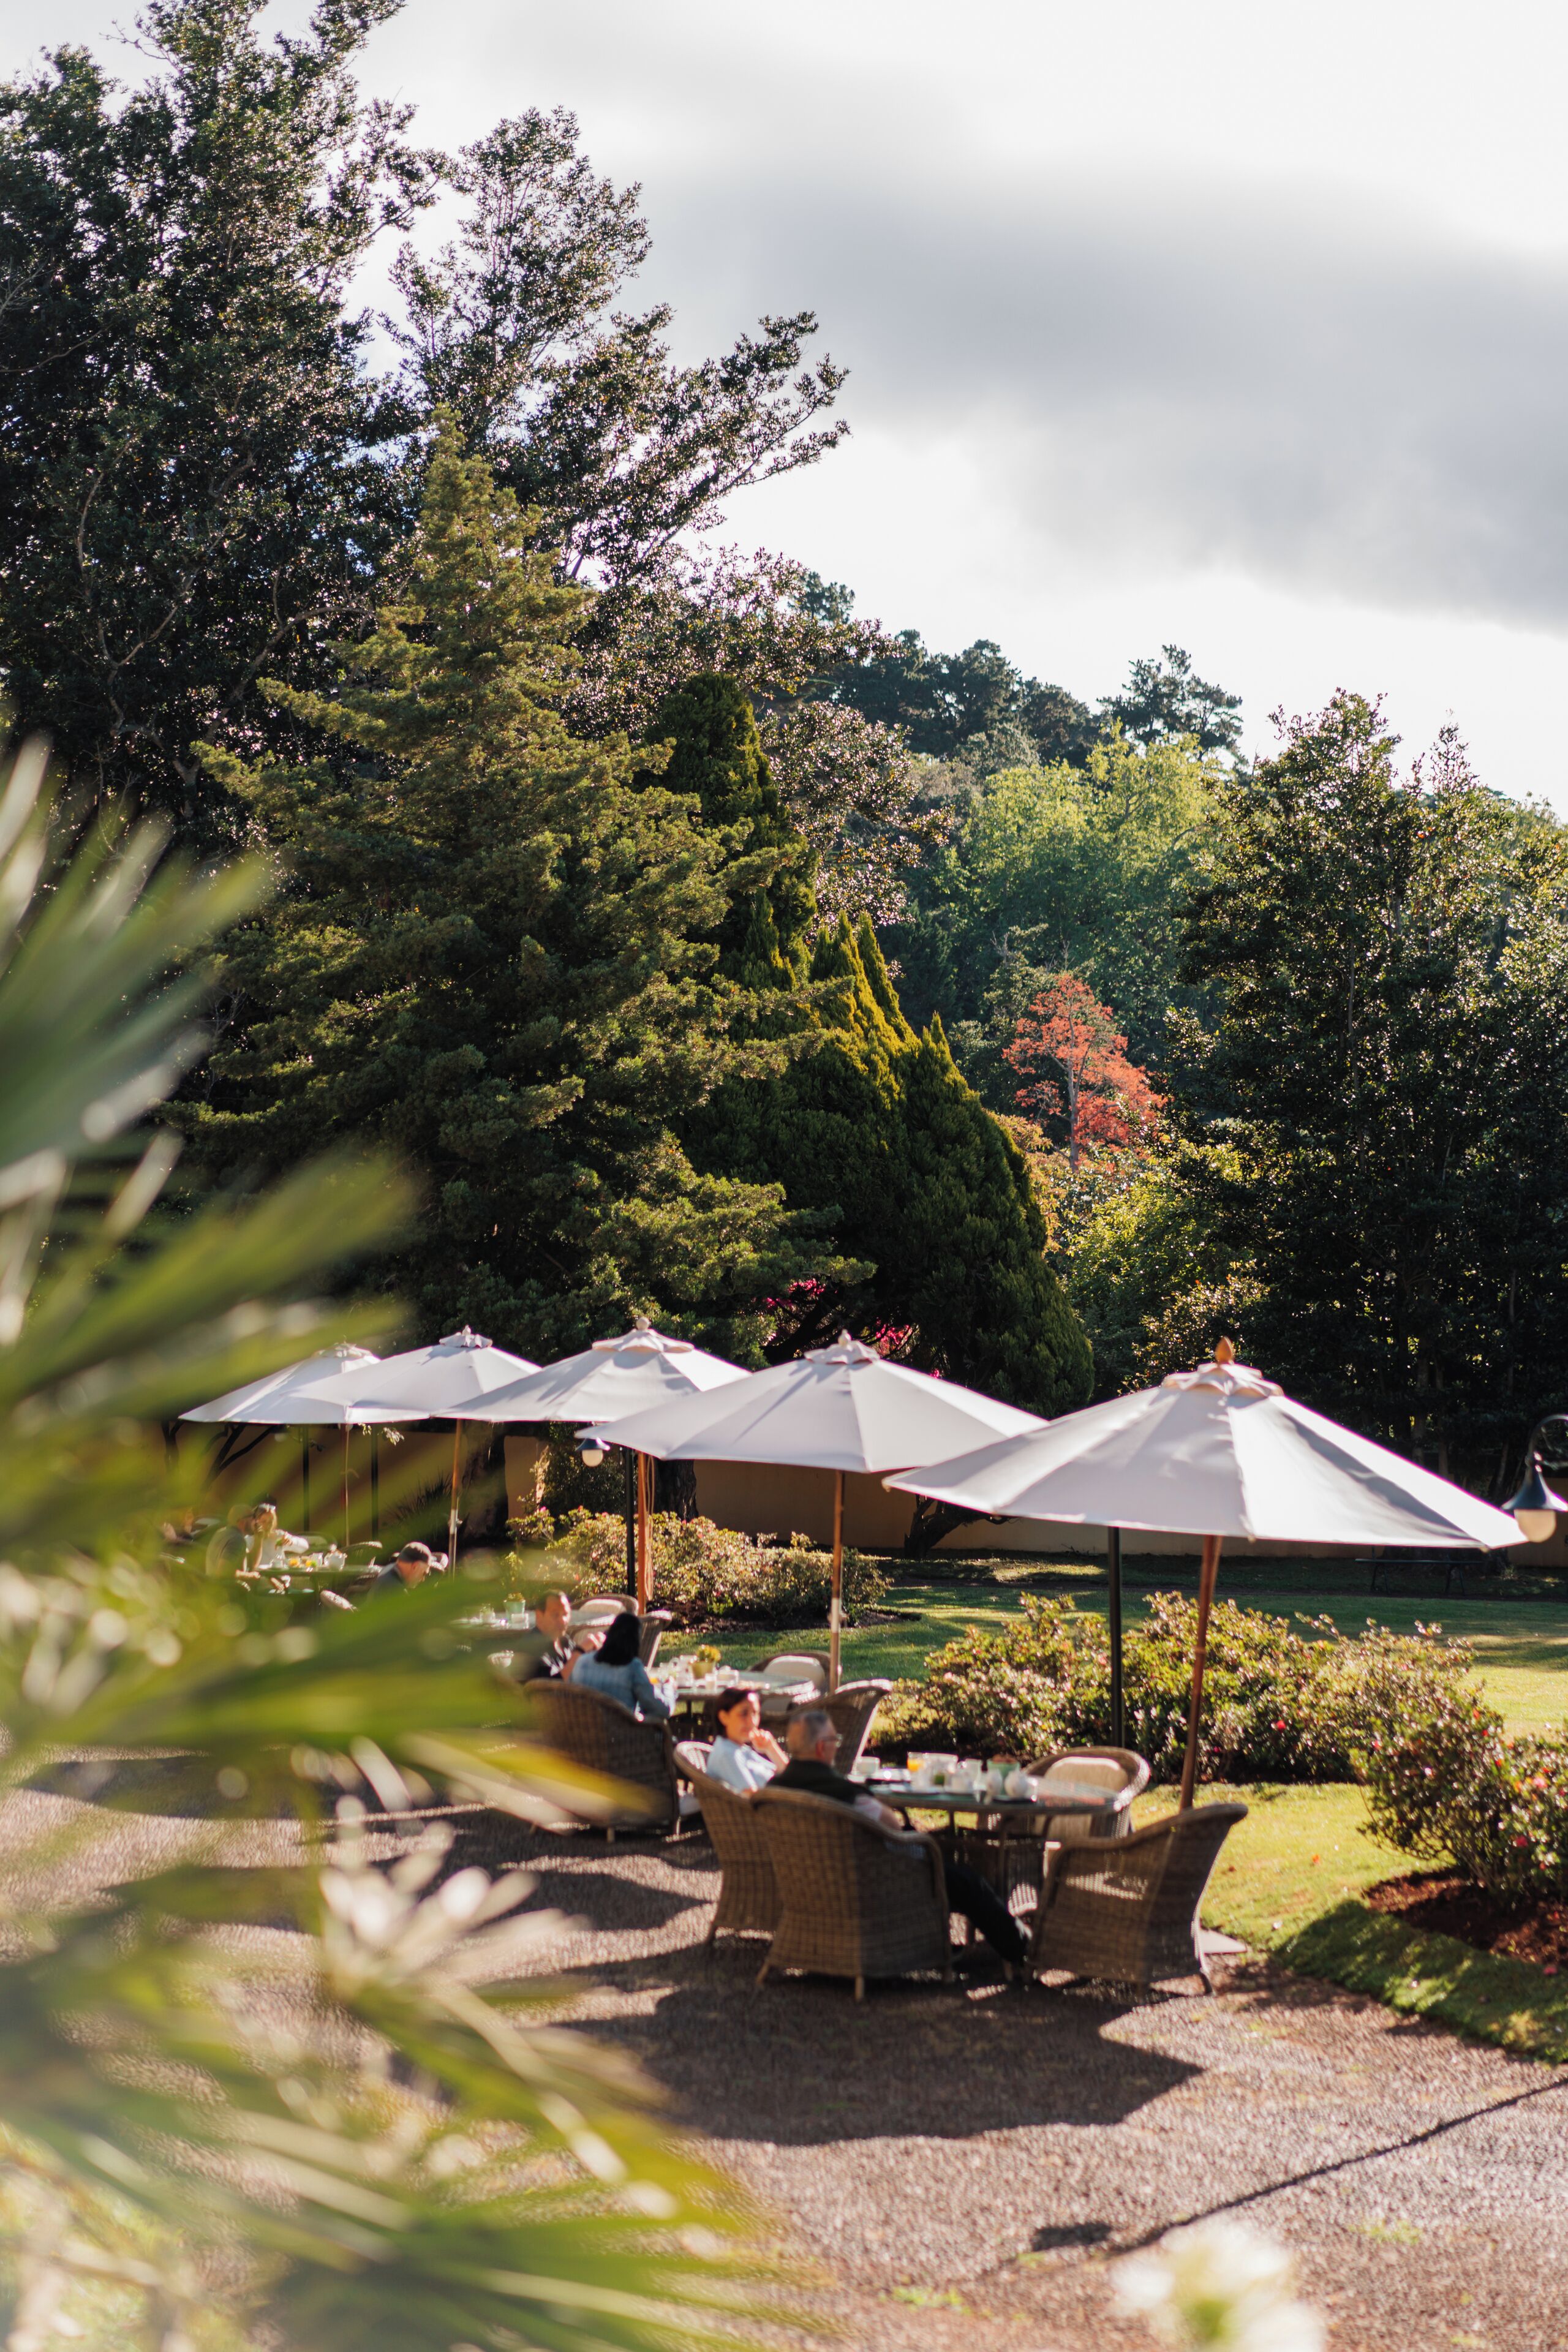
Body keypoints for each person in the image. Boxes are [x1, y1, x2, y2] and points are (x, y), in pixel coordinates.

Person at [772, 1708, 1029, 1973]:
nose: (836, 1747)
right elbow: (892, 1827)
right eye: (833, 1741)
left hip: (806, 1881)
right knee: (970, 1882)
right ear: (821, 1748)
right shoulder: (845, 1794)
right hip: (875, 1877)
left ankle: (937, 1941)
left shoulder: (774, 1789)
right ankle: (1020, 1947)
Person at [568, 1610, 671, 1721]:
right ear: (636, 1641)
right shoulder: (632, 1667)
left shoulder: (582, 1662)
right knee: (657, 1719)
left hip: (583, 1732)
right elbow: (663, 1710)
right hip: (621, 1734)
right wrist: (669, 1687)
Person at [706, 1688, 788, 1792]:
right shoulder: (727, 1754)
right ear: (724, 1717)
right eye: (744, 1714)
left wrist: (771, 1748)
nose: (752, 1722)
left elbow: (789, 1774)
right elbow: (752, 1796)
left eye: (755, 1713)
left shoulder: (740, 1750)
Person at [514, 1589, 577, 1683]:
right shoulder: (531, 1647)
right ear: (539, 1616)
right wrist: (579, 1654)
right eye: (556, 1615)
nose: (563, 1620)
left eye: (565, 1614)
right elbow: (551, 1687)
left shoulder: (565, 1641)